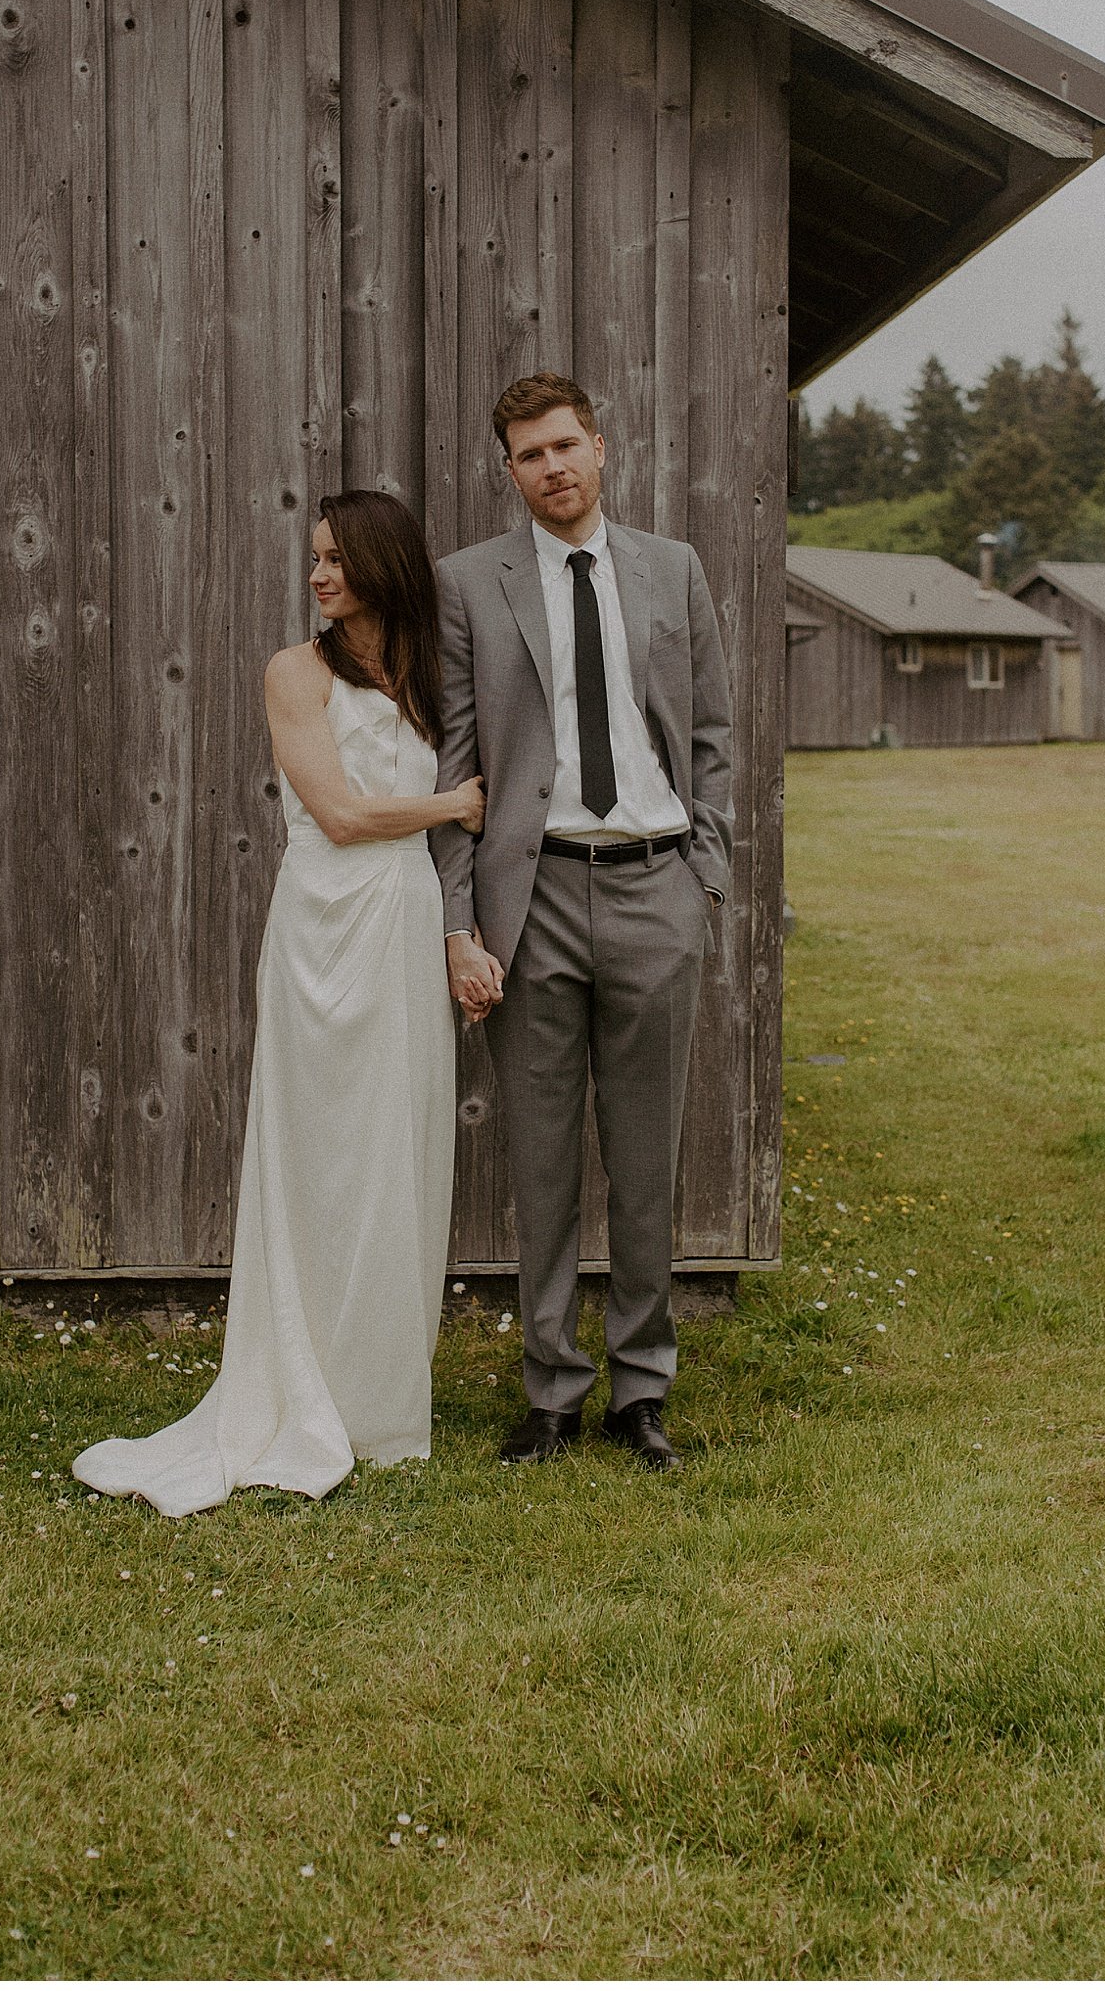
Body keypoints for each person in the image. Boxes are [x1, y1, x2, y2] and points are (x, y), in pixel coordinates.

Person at [72, 490, 484, 1517]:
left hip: (403, 916)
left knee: (398, 1143)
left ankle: (382, 1403)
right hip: (323, 924)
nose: (318, 576)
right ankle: (296, 1383)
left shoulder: (433, 675)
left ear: (385, 566)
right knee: (318, 1149)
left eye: (338, 558)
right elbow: (341, 814)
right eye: (314, 559)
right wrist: (454, 803)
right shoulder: (294, 672)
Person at [433, 374, 733, 1472]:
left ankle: (640, 1391)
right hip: (535, 897)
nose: (552, 467)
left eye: (566, 445)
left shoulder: (673, 568)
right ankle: (552, 1390)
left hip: (656, 884)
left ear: (601, 449)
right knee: (544, 1160)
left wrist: (705, 869)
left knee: (647, 1162)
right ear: (507, 471)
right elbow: (453, 764)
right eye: (529, 454)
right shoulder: (470, 584)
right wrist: (461, 922)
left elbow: (710, 733)